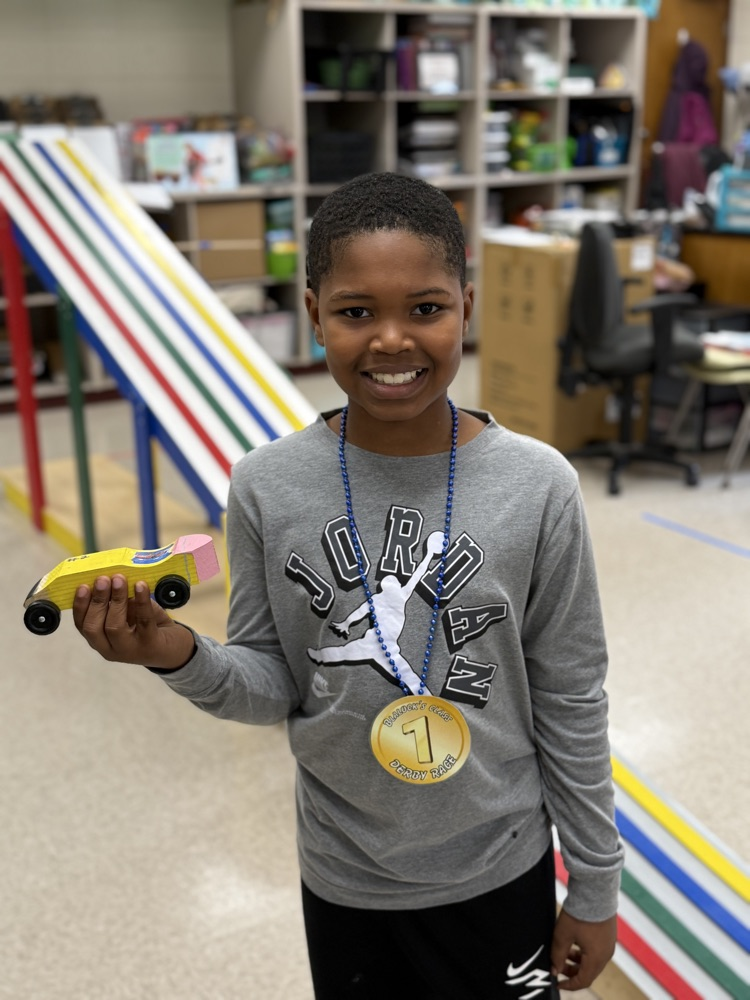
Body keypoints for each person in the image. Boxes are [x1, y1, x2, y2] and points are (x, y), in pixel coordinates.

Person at [73, 172, 623, 999]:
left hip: (499, 867)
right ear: (314, 315)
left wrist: (596, 883)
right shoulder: (266, 484)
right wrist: (178, 652)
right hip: (345, 880)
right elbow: (270, 688)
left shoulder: (538, 486)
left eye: (427, 308)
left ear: (467, 308)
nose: (392, 340)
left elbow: (572, 695)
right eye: (357, 312)